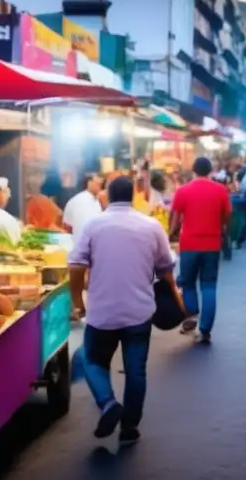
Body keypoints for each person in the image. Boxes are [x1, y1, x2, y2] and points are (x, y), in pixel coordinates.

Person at [68, 176, 180, 445]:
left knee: (92, 361)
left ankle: (107, 403)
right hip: (139, 312)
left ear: (108, 194)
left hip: (102, 313)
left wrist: (77, 302)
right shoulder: (151, 226)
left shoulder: (94, 225)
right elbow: (166, 267)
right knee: (136, 371)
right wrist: (176, 296)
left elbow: (75, 266)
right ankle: (129, 427)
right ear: (132, 196)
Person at [169, 157, 232, 344]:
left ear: (193, 170)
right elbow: (228, 214)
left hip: (189, 244)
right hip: (212, 244)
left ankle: (192, 313)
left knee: (187, 282)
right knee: (209, 285)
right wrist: (223, 228)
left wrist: (170, 233)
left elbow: (175, 217)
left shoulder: (183, 190)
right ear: (210, 170)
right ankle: (205, 329)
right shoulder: (220, 190)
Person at [63, 174, 105, 239]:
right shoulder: (77, 200)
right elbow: (67, 227)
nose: (100, 188)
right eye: (98, 184)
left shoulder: (97, 201)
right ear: (89, 183)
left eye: (101, 185)